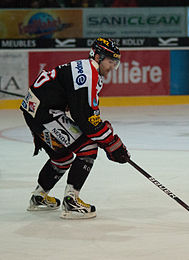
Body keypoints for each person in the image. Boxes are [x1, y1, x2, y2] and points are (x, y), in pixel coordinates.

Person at [20, 37, 130, 219]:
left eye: (115, 63)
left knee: (62, 157)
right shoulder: (89, 75)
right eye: (111, 61)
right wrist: (112, 143)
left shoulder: (85, 68)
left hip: (33, 110)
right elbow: (86, 120)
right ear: (97, 56)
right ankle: (71, 202)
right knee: (87, 148)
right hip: (44, 113)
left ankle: (38, 198)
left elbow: (79, 111)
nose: (112, 67)